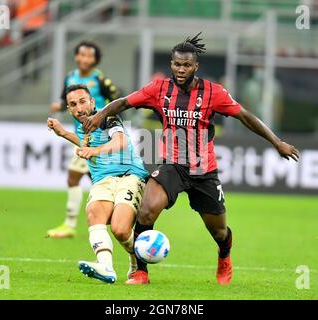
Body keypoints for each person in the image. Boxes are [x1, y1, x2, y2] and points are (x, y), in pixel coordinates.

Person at [81, 33, 300, 285]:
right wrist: (99, 117)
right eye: (176, 64)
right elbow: (123, 102)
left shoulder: (213, 92)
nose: (181, 69)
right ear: (171, 64)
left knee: (218, 230)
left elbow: (246, 116)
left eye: (186, 65)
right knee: (145, 212)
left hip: (203, 170)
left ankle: (224, 255)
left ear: (195, 66)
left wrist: (277, 142)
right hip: (172, 165)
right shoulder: (158, 89)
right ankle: (141, 272)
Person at [47, 84, 148, 283]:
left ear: (92, 102)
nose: (79, 108)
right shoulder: (81, 125)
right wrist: (63, 133)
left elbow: (121, 142)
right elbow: (87, 143)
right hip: (102, 179)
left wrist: (94, 151)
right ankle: (106, 268)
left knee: (120, 229)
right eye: (73, 104)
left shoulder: (106, 118)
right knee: (94, 213)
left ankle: (136, 260)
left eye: (82, 102)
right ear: (69, 108)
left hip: (129, 175)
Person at [47, 41, 120, 239]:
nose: (85, 59)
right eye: (82, 55)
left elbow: (117, 101)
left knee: (93, 178)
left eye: (89, 56)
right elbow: (67, 103)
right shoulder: (70, 77)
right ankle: (73, 223)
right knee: (79, 177)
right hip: (83, 136)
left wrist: (104, 119)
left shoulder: (101, 80)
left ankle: (116, 219)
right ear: (76, 57)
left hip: (99, 136)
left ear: (95, 59)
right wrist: (59, 106)